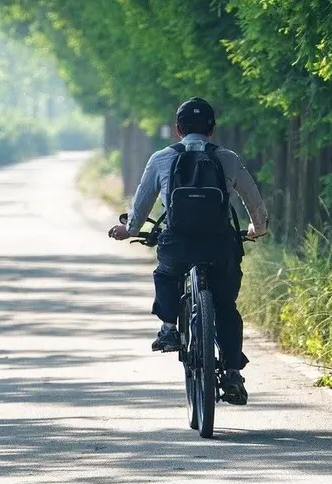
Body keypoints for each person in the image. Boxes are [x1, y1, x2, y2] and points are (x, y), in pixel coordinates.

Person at [107, 97, 269, 405]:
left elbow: (142, 203)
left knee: (166, 272)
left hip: (178, 243)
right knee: (225, 306)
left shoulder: (161, 158)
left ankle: (169, 328)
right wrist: (257, 229)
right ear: (212, 130)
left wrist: (129, 228)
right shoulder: (228, 158)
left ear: (178, 129)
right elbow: (252, 198)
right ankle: (232, 370)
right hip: (220, 244)